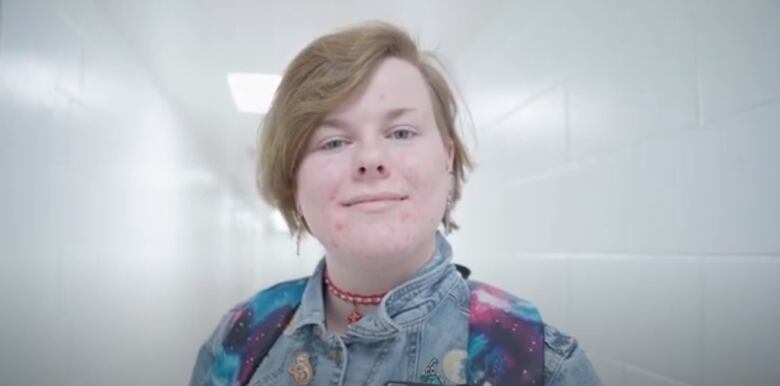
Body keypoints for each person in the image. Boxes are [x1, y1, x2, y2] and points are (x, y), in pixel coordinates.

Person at [189, 21, 602, 386]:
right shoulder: (239, 338)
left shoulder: (539, 364)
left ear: (447, 157)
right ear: (293, 181)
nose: (371, 159)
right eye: (333, 142)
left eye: (401, 132)